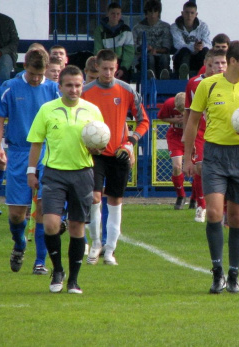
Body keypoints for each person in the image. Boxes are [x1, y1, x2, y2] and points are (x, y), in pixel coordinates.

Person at [183, 41, 239, 294]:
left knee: (236, 218)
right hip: (214, 155)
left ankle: (234, 274)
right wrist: (189, 157)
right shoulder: (208, 85)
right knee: (213, 213)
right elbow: (192, 121)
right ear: (233, 61)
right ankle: (217, 272)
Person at [27, 65, 103, 294]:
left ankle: (74, 281)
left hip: (82, 173)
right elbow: (36, 142)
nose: (74, 89)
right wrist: (31, 171)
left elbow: (100, 145)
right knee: (51, 224)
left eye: (78, 85)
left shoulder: (92, 110)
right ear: (59, 87)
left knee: (77, 227)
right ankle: (57, 270)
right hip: (54, 173)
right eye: (69, 85)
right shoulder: (47, 110)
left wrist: (97, 148)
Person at [0, 48, 60, 275]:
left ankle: (40, 262)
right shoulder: (10, 87)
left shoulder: (52, 89)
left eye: (41, 75)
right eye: (33, 74)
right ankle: (20, 243)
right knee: (16, 214)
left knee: (42, 207)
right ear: (24, 67)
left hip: (46, 154)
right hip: (19, 153)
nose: (37, 78)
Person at [81, 49, 150, 266]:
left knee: (115, 201)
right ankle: (95, 244)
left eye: (112, 68)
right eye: (104, 69)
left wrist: (131, 142)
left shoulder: (127, 90)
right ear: (96, 67)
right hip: (95, 154)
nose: (108, 72)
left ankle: (110, 250)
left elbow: (144, 121)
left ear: (116, 67)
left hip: (119, 153)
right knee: (94, 198)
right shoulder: (86, 92)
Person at [183, 48, 228, 223]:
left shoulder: (232, 83)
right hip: (201, 132)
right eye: (214, 63)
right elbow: (188, 111)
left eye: (222, 63)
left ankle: (222, 209)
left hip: (223, 133)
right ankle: (202, 206)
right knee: (201, 169)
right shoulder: (195, 84)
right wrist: (187, 137)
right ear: (206, 64)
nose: (218, 67)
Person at [158, 92, 188, 209]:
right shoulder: (169, 103)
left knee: (197, 169)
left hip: (192, 136)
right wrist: (175, 120)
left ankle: (196, 198)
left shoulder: (195, 103)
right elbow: (161, 116)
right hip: (175, 136)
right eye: (178, 110)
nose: (181, 112)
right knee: (177, 167)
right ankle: (181, 196)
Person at [91, 2, 135, 83]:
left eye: (118, 14)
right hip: (105, 61)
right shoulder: (100, 30)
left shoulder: (126, 30)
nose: (115, 16)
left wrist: (123, 68)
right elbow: (98, 50)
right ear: (108, 14)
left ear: (121, 15)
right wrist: (104, 66)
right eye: (113, 13)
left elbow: (129, 52)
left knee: (124, 80)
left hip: (121, 63)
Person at [132, 0, 173, 80]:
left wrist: (156, 50)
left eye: (155, 11)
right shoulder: (137, 28)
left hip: (161, 56)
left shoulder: (165, 27)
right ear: (146, 13)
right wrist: (144, 48)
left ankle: (164, 80)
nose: (152, 14)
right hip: (144, 58)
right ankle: (151, 79)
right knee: (149, 58)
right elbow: (133, 46)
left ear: (158, 13)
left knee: (164, 58)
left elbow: (167, 47)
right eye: (150, 11)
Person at [170, 1, 211, 79]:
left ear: (196, 14)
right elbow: (178, 44)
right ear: (182, 13)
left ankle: (203, 75)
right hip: (181, 58)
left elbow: (208, 44)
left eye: (192, 13)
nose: (189, 15)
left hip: (198, 58)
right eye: (187, 12)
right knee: (184, 50)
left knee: (205, 50)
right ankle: (184, 75)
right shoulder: (174, 27)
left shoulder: (203, 26)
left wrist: (201, 46)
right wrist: (193, 47)